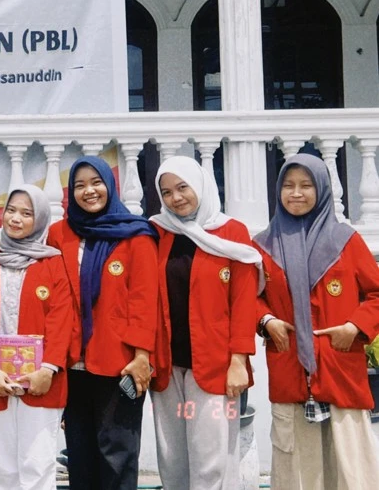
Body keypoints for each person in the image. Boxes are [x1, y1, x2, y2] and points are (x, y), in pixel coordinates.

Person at [256, 154, 379, 490]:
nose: (296, 193)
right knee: (298, 473)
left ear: (322, 189)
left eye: (306, 185)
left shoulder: (346, 241)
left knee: (351, 471)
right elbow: (249, 298)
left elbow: (376, 294)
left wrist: (354, 327)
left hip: (340, 370)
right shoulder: (264, 245)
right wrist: (267, 320)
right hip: (290, 369)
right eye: (288, 186)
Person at [148, 156, 262, 490]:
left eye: (183, 187)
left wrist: (239, 361)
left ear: (200, 185)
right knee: (172, 458)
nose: (176, 198)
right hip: (168, 368)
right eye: (166, 192)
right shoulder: (157, 232)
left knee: (211, 459)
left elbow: (243, 303)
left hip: (214, 368)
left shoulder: (231, 232)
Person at [47, 155, 159, 490]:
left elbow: (144, 301)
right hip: (71, 363)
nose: (89, 191)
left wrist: (142, 357)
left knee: (118, 454)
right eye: (79, 185)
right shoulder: (59, 233)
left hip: (119, 364)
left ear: (110, 187)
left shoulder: (137, 236)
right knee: (79, 455)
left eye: (96, 182)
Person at [0, 184, 72, 490]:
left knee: (37, 463)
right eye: (11, 210)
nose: (15, 218)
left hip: (41, 379)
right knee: (8, 465)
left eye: (27, 213)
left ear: (38, 220)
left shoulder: (52, 263)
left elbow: (62, 319)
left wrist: (48, 368)